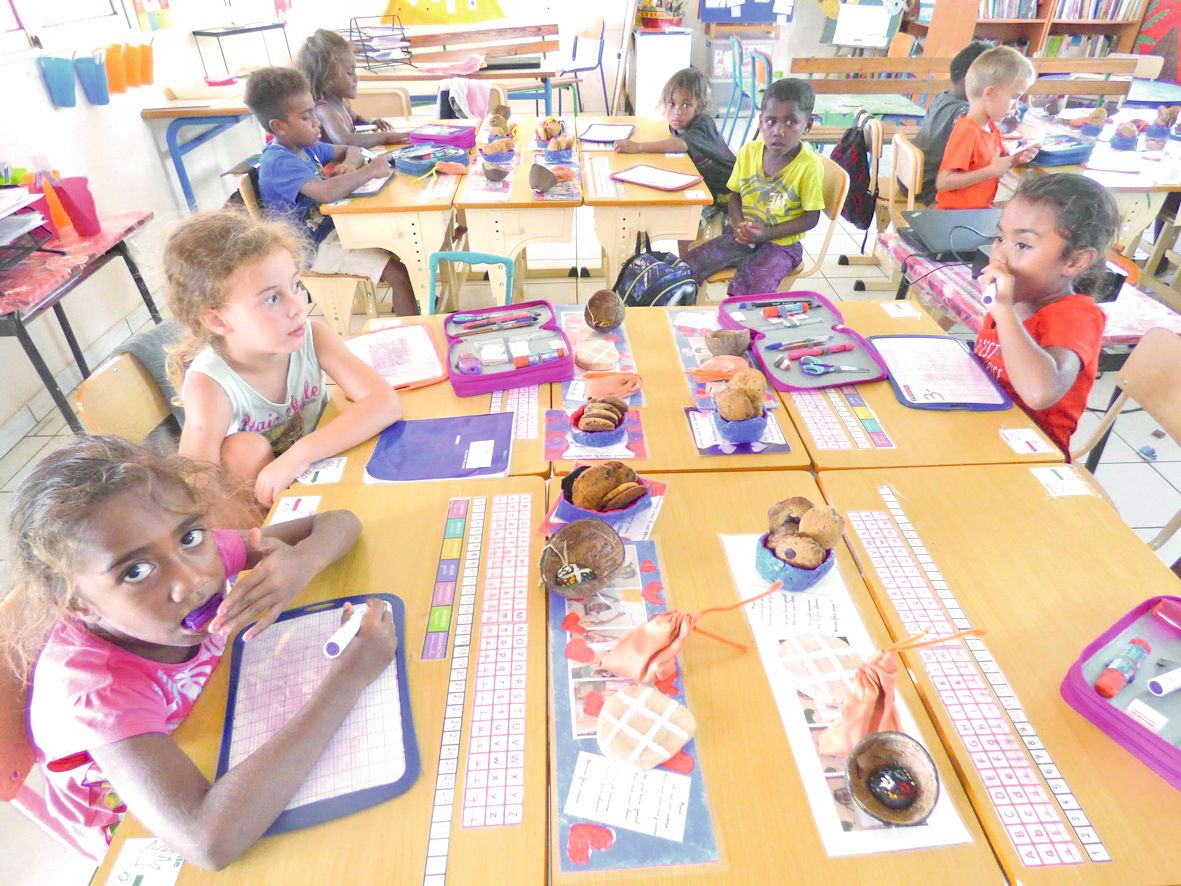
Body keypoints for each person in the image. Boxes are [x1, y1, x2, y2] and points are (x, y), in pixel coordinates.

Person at [7, 436, 394, 867]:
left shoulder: (188, 556)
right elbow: (207, 841)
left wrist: (303, 563)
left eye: (190, 535)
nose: (192, 579)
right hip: (137, 817)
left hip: (211, 720)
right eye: (136, 571)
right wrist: (349, 678)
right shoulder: (97, 688)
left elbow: (340, 522)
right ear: (78, 604)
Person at [164, 209, 402, 507]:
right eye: (272, 298)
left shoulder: (312, 336)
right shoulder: (210, 383)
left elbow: (385, 403)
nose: (298, 307)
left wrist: (298, 456)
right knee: (244, 449)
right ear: (218, 321)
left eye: (295, 286)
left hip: (316, 468)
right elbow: (197, 485)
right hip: (262, 506)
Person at [244, 66, 418, 316]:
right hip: (309, 249)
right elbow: (326, 192)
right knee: (398, 273)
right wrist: (368, 171)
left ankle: (408, 308)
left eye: (313, 114)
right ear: (279, 127)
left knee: (403, 247)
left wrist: (348, 164)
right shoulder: (279, 162)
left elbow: (351, 149)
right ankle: (413, 333)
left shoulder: (307, 147)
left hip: (332, 231)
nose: (317, 124)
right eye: (306, 118)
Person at [975, 173, 1117, 455]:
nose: (1000, 256)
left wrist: (1003, 311)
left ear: (1075, 260)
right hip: (984, 431)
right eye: (1000, 238)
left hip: (1030, 456)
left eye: (1023, 245)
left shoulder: (1076, 317)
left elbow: (1040, 392)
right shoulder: (1014, 302)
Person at [684, 78, 824, 297]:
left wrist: (766, 234)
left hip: (782, 245)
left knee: (752, 287)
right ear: (761, 121)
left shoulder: (810, 166)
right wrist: (739, 225)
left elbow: (811, 218)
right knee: (690, 266)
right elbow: (735, 196)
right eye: (771, 121)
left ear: (807, 125)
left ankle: (745, 327)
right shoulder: (749, 152)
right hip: (744, 235)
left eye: (791, 122)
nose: (778, 130)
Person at [935, 46, 1039, 210]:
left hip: (978, 211)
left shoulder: (991, 128)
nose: (1017, 106)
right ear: (989, 94)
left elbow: (995, 165)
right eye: (1014, 97)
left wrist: (1015, 160)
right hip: (954, 217)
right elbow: (943, 182)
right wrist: (991, 171)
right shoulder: (967, 131)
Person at [614, 67, 735, 207]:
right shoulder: (679, 124)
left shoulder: (703, 124)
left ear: (701, 106)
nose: (677, 112)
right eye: (672, 103)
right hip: (704, 179)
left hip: (727, 189)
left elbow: (680, 145)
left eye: (686, 105)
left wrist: (638, 147)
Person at [295, 29, 409, 150]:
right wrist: (385, 137)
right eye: (350, 73)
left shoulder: (340, 104)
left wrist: (371, 122)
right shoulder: (324, 110)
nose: (356, 78)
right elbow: (345, 140)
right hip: (335, 167)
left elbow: (355, 118)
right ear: (327, 78)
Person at [912, 41, 991, 205]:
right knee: (981, 191)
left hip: (914, 178)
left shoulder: (943, 96)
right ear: (969, 80)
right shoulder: (965, 113)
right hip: (930, 189)